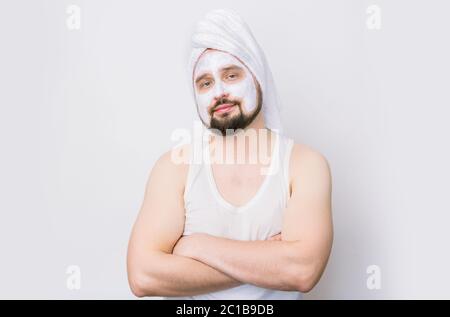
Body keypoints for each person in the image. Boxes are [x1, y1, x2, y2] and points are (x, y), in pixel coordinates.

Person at [127, 9, 333, 299]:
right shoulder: (175, 168)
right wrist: (270, 263)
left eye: (231, 75)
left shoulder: (304, 165)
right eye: (205, 83)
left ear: (258, 77)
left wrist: (197, 247)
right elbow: (143, 276)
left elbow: (302, 271)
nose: (219, 92)